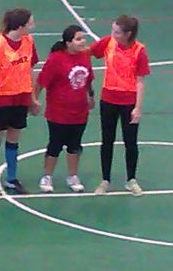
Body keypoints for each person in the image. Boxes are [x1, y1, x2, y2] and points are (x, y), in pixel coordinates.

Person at [89, 15, 150, 196]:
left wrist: (137, 108)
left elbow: (140, 81)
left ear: (128, 34)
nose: (113, 34)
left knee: (130, 142)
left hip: (128, 102)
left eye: (117, 32)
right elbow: (88, 52)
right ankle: (105, 180)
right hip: (108, 99)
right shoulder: (108, 43)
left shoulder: (139, 51)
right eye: (113, 30)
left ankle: (131, 179)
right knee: (107, 140)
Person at [0, 8, 40, 197]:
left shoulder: (29, 41)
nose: (33, 26)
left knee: (14, 139)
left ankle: (11, 179)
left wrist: (32, 98)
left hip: (21, 97)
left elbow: (30, 70)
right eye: (30, 23)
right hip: (0, 98)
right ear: (20, 26)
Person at [33, 25, 94, 193]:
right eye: (78, 39)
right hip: (58, 113)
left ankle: (72, 176)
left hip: (80, 113)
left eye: (83, 38)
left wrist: (90, 96)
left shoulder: (85, 56)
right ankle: (47, 176)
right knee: (55, 145)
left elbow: (88, 79)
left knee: (75, 146)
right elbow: (41, 82)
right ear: (68, 42)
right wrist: (33, 101)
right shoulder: (55, 60)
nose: (83, 42)